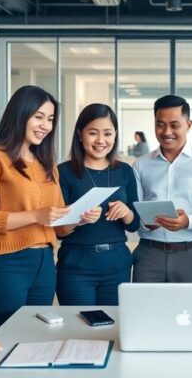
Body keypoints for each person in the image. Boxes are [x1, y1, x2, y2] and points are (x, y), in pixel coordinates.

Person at [0, 85, 87, 333]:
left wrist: (78, 219)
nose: (46, 125)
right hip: (5, 263)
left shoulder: (47, 164)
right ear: (20, 115)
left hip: (44, 262)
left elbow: (57, 226)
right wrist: (35, 216)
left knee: (34, 337)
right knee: (2, 338)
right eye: (39, 117)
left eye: (51, 119)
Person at [56, 104, 139, 305]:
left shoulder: (125, 171)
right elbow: (58, 230)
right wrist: (78, 220)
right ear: (80, 134)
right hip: (76, 266)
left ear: (115, 135)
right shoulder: (64, 172)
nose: (101, 141)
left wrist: (126, 211)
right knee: (79, 328)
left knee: (112, 327)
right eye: (93, 133)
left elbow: (134, 224)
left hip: (117, 264)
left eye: (108, 134)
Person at [133, 95, 192, 283]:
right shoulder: (141, 165)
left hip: (190, 254)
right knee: (144, 311)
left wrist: (188, 221)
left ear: (188, 124)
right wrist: (145, 223)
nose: (167, 131)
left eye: (174, 125)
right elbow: (134, 208)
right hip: (148, 253)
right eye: (160, 124)